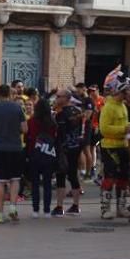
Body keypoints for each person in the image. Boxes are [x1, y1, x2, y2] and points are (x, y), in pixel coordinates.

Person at [0, 84, 27, 223]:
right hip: (16, 147)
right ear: (10, 93)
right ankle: (13, 208)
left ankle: (0, 213)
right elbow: (25, 129)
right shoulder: (17, 108)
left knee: (0, 181)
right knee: (15, 179)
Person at [98, 73, 130, 220]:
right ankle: (105, 209)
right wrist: (124, 129)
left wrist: (129, 127)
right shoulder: (108, 107)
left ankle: (121, 207)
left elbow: (123, 125)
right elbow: (104, 129)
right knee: (110, 177)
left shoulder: (123, 106)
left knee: (123, 178)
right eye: (128, 90)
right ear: (121, 91)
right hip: (110, 147)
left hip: (123, 145)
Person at [52, 88, 83, 216]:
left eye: (59, 96)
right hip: (75, 147)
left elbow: (58, 132)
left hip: (63, 148)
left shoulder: (61, 114)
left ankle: (59, 206)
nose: (56, 98)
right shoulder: (77, 111)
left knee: (60, 176)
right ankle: (76, 205)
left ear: (66, 98)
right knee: (73, 175)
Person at [26, 98, 58, 218]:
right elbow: (56, 138)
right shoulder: (53, 123)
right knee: (47, 184)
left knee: (35, 184)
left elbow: (27, 138)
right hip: (49, 155)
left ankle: (35, 210)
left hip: (34, 154)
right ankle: (47, 210)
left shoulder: (31, 122)